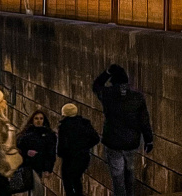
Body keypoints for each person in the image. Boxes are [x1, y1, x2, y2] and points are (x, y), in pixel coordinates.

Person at [93, 64, 154, 196]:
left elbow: (96, 85)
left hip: (113, 143)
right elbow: (144, 121)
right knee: (129, 173)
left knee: (117, 177)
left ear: (113, 83)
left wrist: (107, 72)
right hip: (131, 142)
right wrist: (149, 140)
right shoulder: (137, 98)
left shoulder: (107, 95)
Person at [57, 103, 100, 196]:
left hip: (69, 158)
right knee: (76, 178)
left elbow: (61, 146)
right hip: (83, 156)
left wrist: (62, 153)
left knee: (68, 181)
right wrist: (85, 147)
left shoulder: (64, 126)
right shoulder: (85, 123)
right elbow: (96, 138)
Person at [17, 110, 57, 196]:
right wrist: (26, 152)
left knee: (36, 189)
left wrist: (48, 169)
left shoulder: (49, 135)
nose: (39, 121)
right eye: (36, 118)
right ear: (32, 120)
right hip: (26, 165)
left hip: (39, 165)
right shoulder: (25, 134)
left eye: (41, 119)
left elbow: (51, 153)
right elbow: (18, 148)